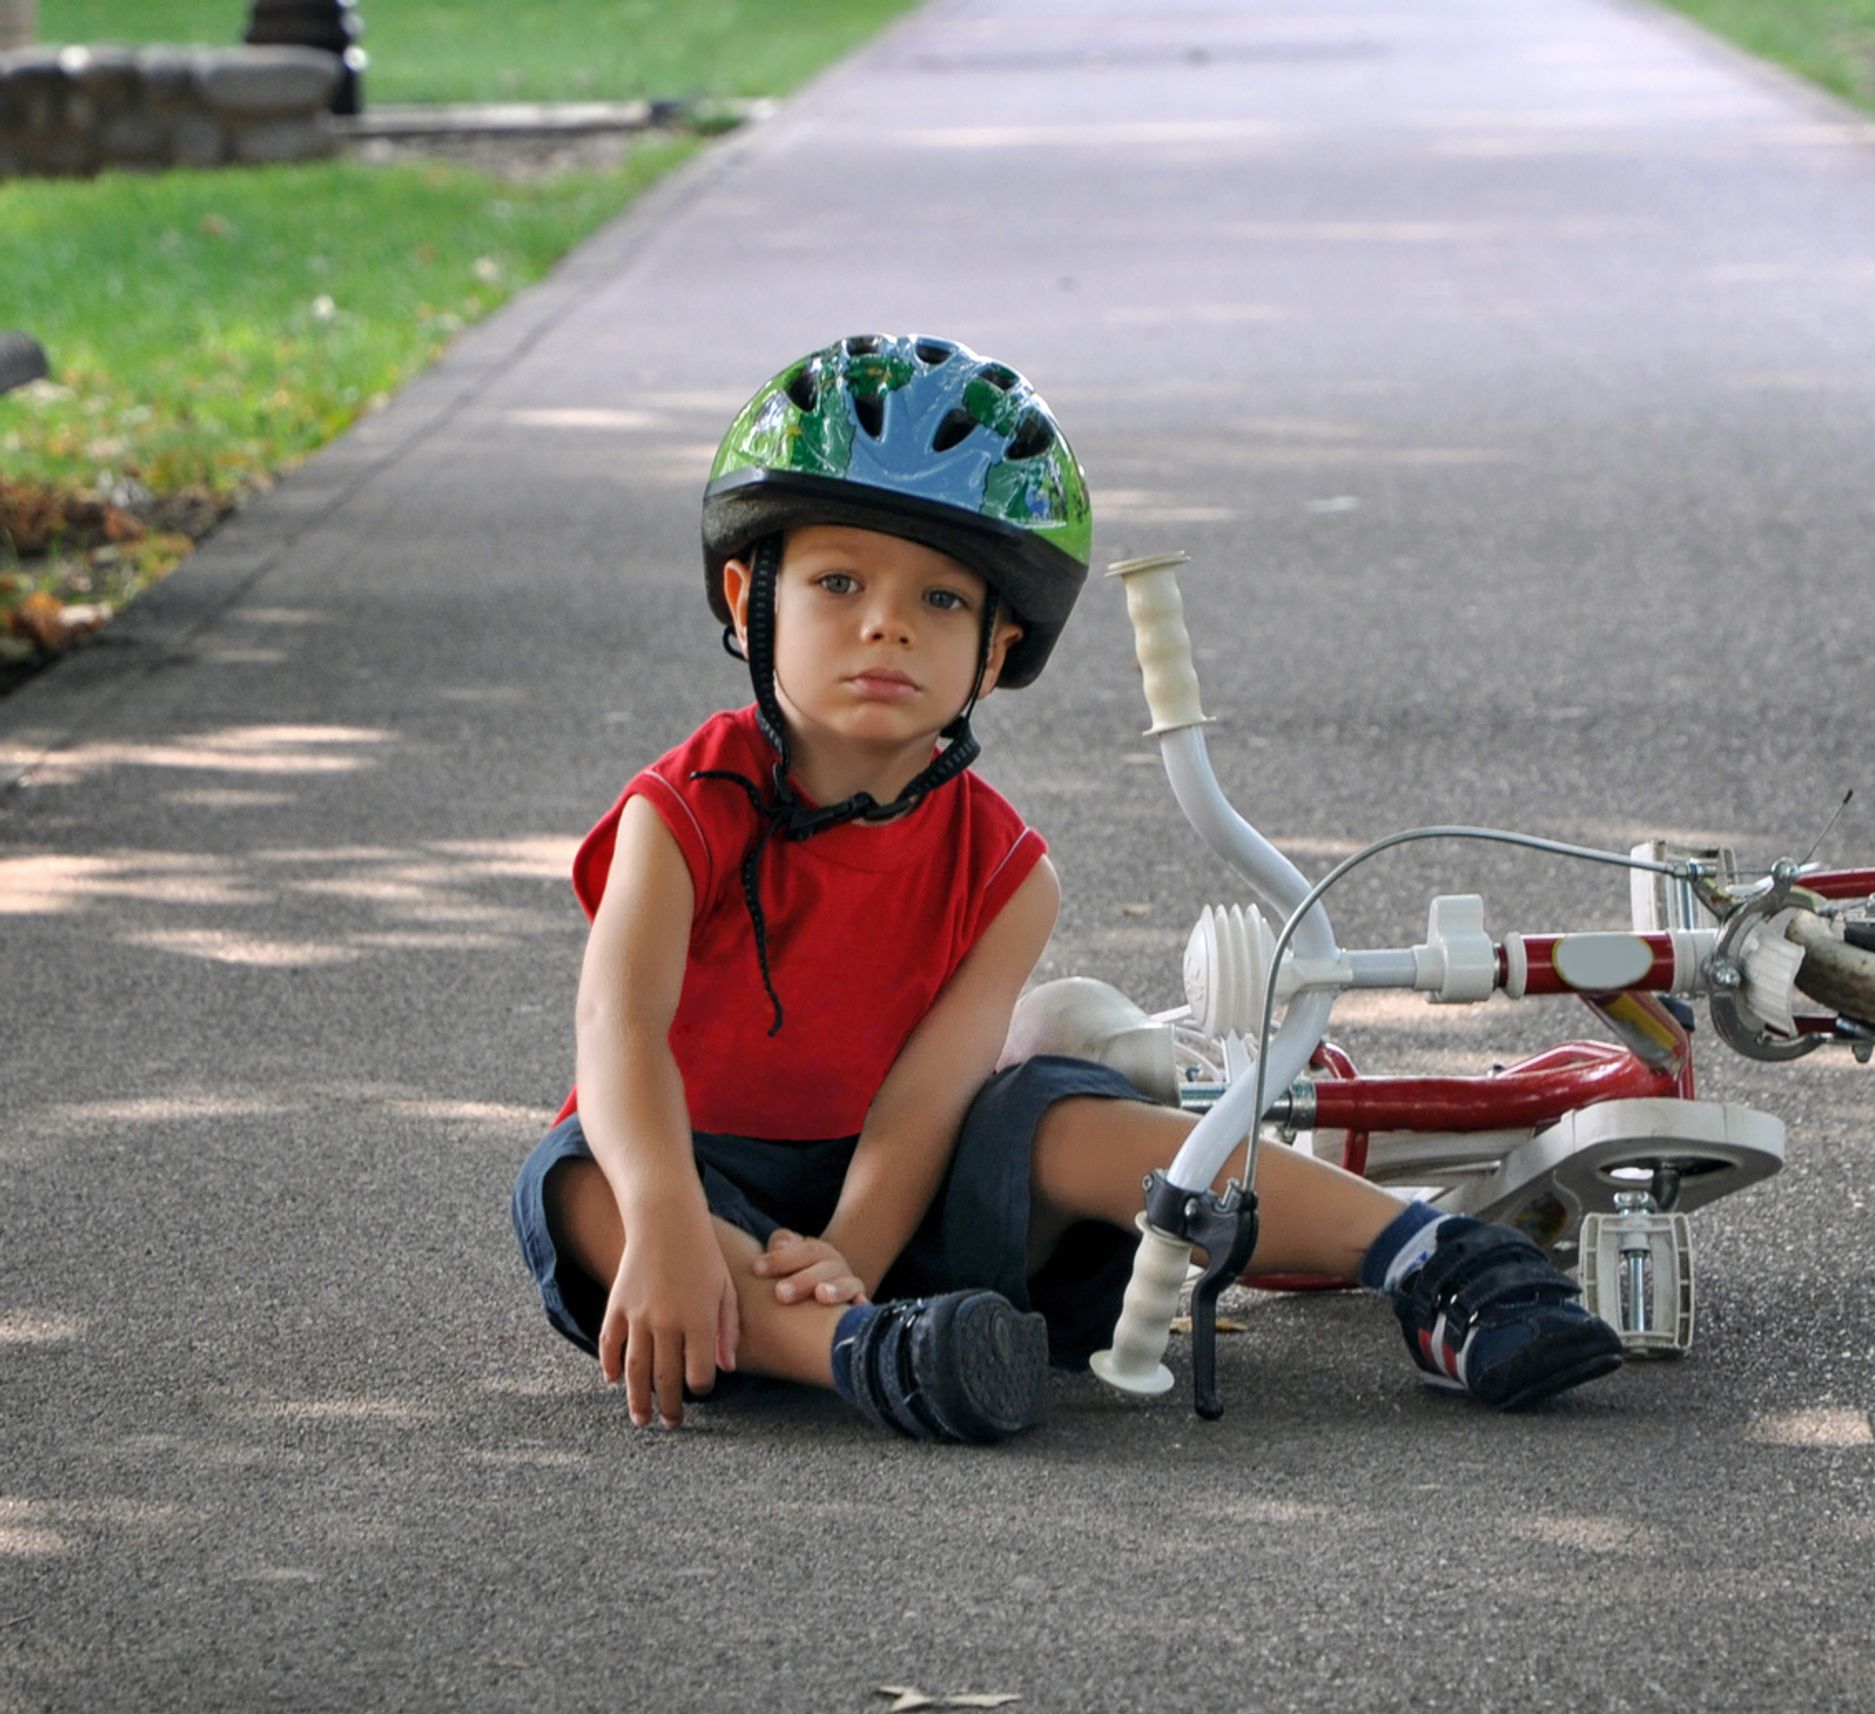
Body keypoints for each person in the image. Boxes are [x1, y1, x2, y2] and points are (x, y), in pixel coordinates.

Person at [511, 332, 1623, 1441]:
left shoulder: (1006, 875)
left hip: (907, 1207)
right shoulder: (684, 808)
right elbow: (620, 1029)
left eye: (942, 600)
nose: (886, 621)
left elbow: (923, 1101)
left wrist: (849, 1253)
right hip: (684, 1173)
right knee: (575, 1181)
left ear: (995, 653)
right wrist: (666, 1217)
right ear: (751, 595)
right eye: (838, 580)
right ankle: (870, 1355)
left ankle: (1429, 1256)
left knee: (1054, 1112)